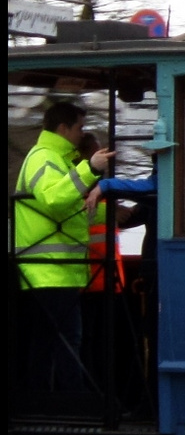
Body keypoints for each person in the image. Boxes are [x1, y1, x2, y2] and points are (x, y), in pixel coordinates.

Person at [13, 101, 115, 391]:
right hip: (49, 270)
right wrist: (90, 168)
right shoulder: (45, 158)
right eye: (79, 128)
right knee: (67, 339)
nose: (82, 134)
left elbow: (71, 207)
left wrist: (115, 214)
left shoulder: (55, 159)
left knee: (48, 341)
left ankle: (43, 401)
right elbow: (54, 201)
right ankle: (73, 402)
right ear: (63, 128)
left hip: (53, 270)